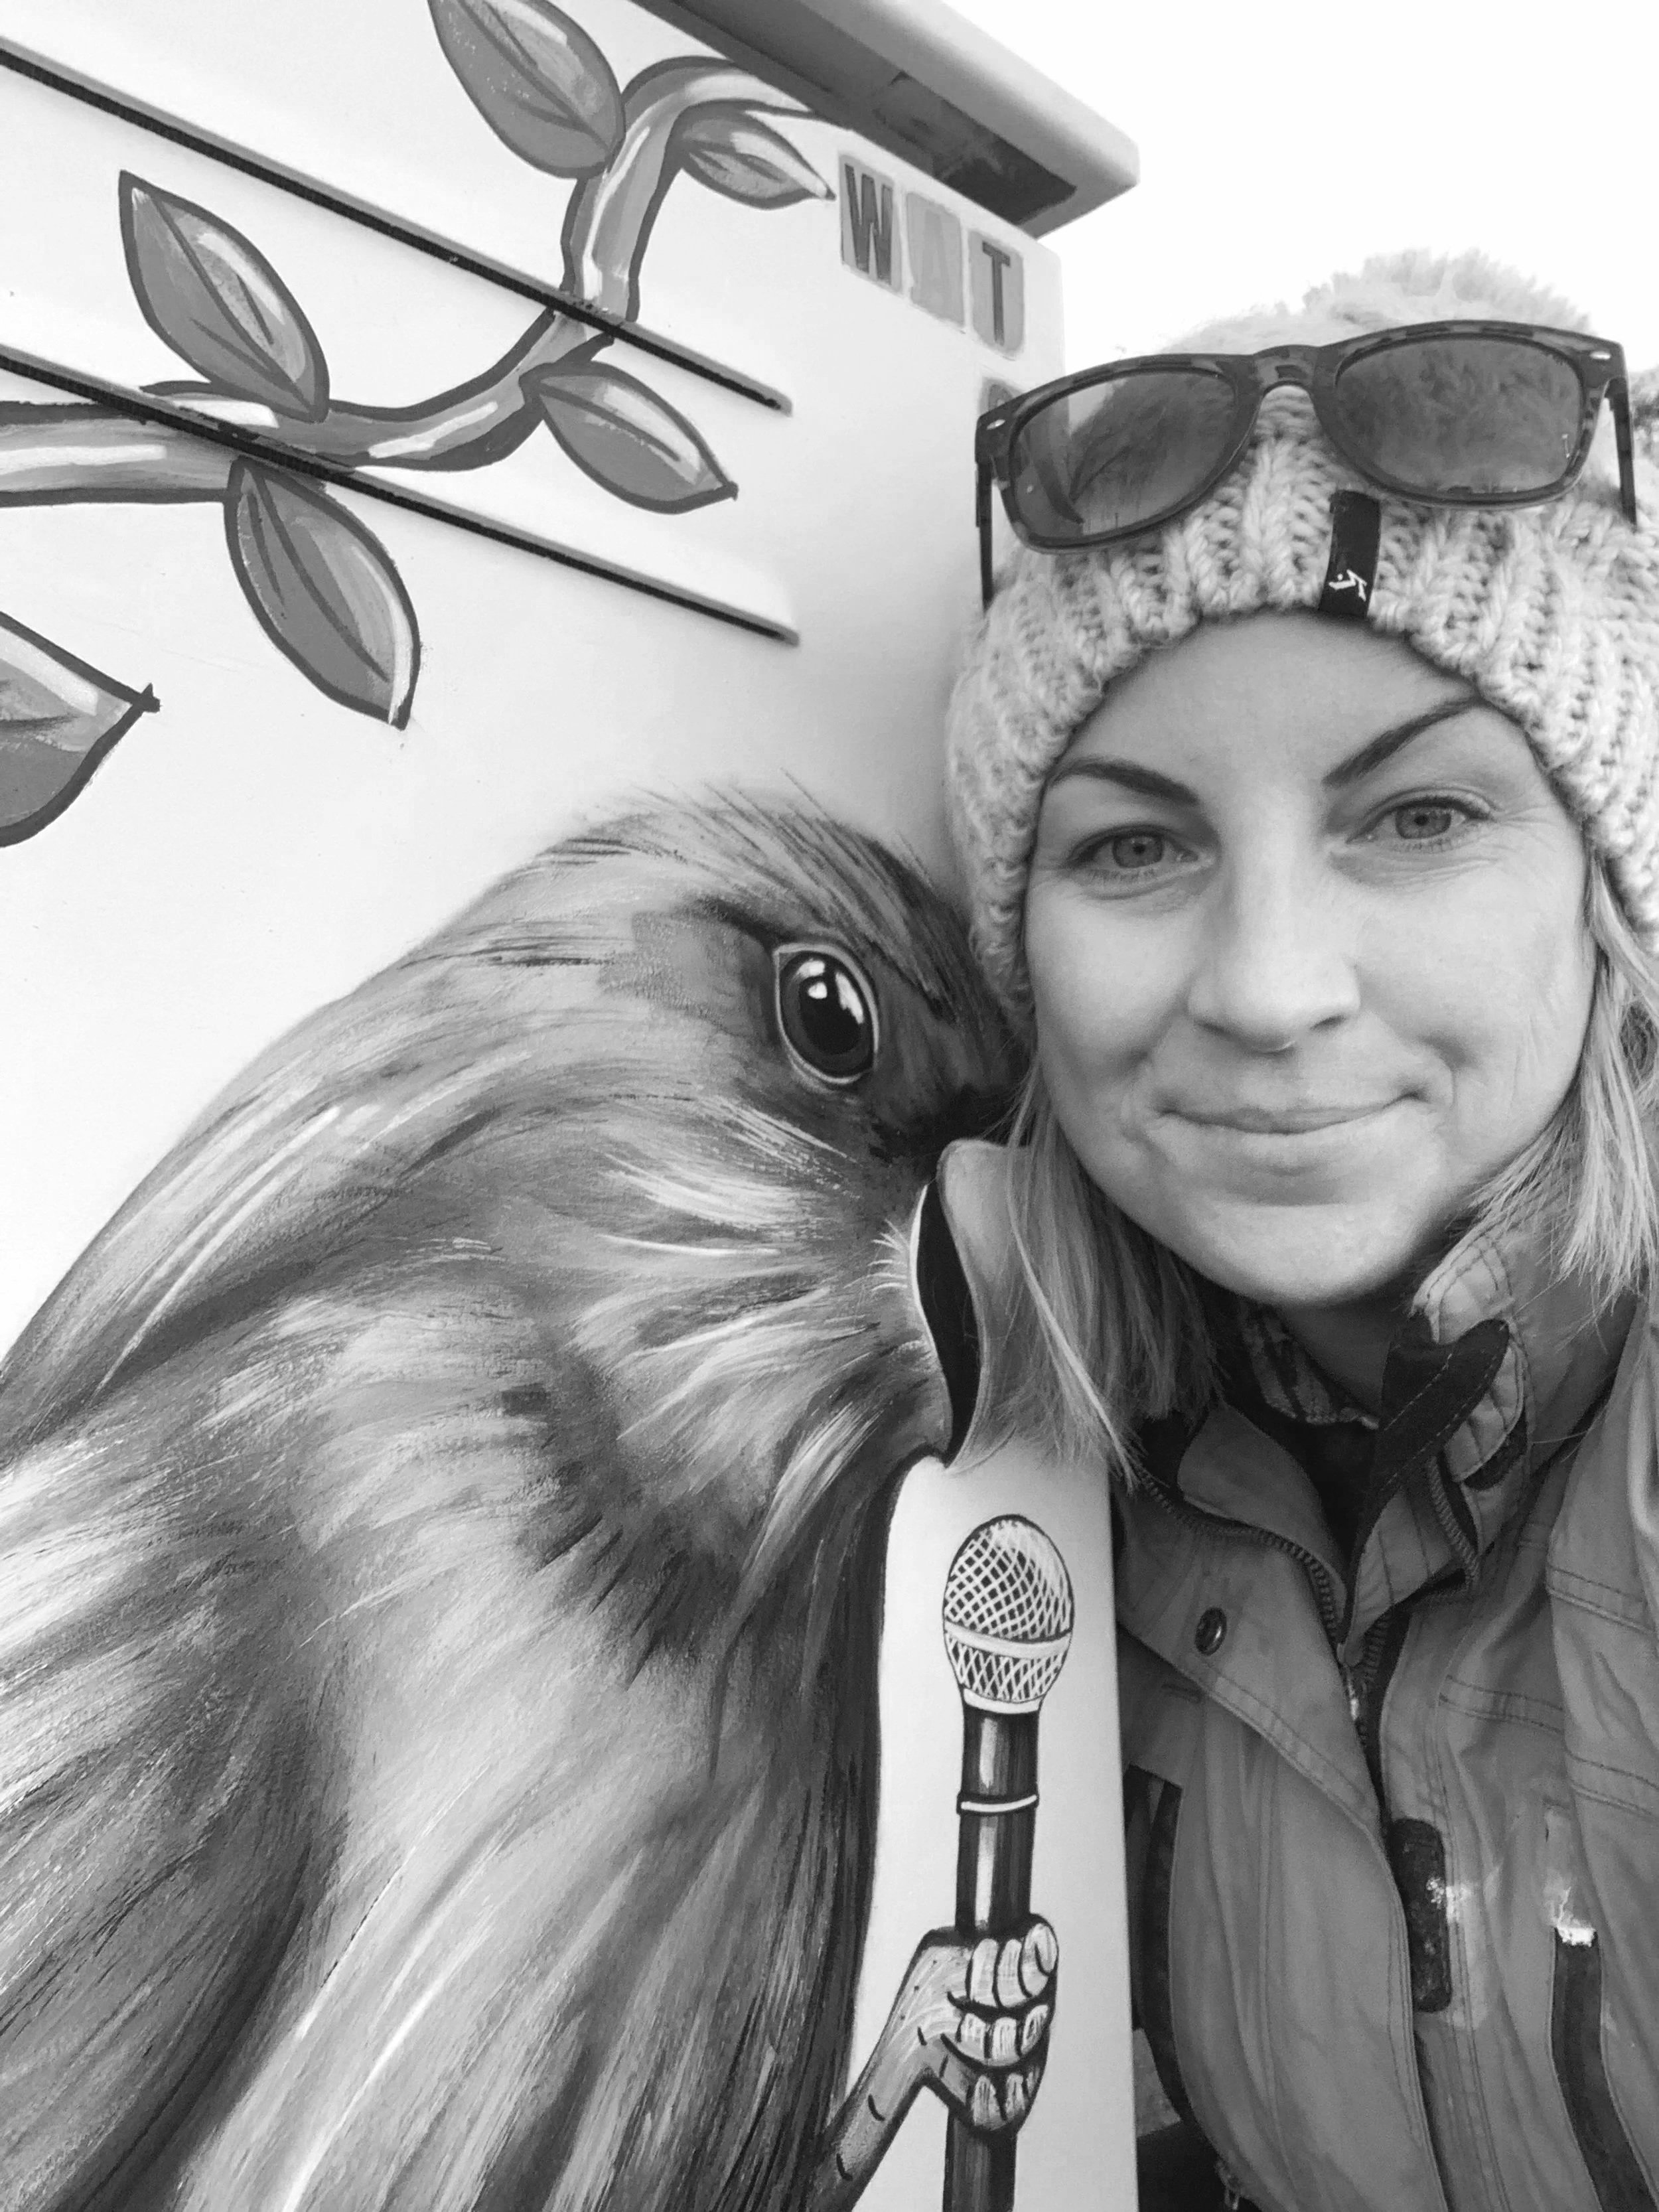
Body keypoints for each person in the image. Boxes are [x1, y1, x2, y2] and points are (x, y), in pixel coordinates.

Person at [943, 251, 1659, 2212]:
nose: (1265, 987)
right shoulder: (1065, 1495)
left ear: (1610, 906)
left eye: (1416, 818)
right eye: (1132, 844)